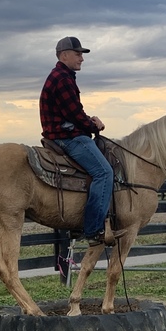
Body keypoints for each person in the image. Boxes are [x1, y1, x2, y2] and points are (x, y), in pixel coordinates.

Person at [39, 36, 122, 246]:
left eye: (82, 55)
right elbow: (75, 113)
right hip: (67, 137)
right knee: (104, 172)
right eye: (78, 54)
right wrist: (95, 126)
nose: (81, 59)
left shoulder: (61, 76)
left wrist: (88, 120)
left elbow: (74, 112)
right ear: (64, 55)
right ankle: (93, 229)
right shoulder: (63, 79)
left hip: (60, 133)